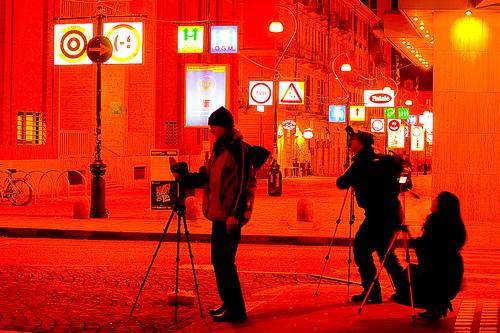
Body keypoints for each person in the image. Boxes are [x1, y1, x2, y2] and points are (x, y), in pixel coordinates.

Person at [174, 106, 269, 322]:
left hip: (229, 217)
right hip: (217, 215)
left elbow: (243, 186)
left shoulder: (239, 151)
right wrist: (185, 177)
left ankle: (237, 309)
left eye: (214, 126)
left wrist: (235, 215)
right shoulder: (219, 150)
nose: (211, 130)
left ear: (224, 127)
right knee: (218, 261)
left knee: (226, 261)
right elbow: (207, 178)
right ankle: (228, 303)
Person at [336, 130, 406, 304]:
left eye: (352, 140)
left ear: (360, 143)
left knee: (361, 249)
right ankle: (404, 290)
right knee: (386, 253)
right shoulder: (384, 160)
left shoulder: (361, 162)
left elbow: (341, 182)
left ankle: (372, 292)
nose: (350, 143)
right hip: (393, 212)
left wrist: (355, 176)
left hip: (377, 215)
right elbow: (401, 178)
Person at [407, 191, 466, 320]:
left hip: (438, 274)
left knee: (409, 276)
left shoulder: (436, 221)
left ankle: (434, 305)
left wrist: (410, 240)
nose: (433, 201)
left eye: (436, 199)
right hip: (452, 274)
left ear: (441, 205)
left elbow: (426, 244)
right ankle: (437, 305)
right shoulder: (456, 224)